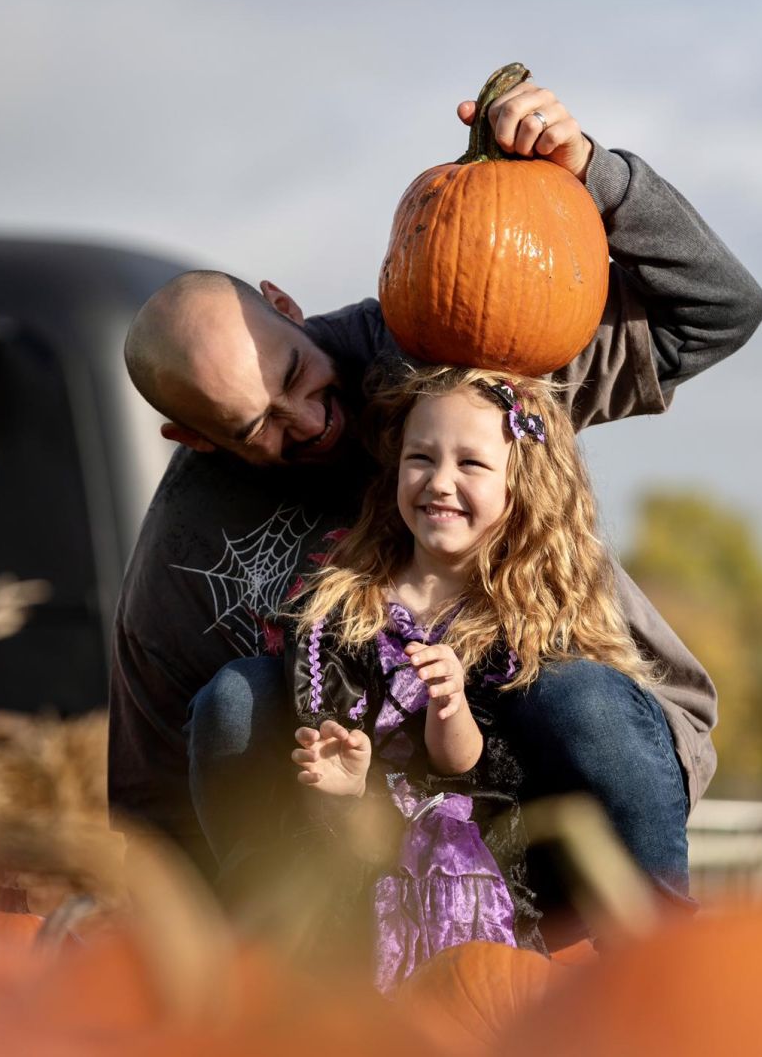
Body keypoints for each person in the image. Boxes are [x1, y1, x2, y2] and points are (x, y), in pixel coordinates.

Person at [110, 77, 762, 889]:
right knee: (235, 702)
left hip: (553, 771)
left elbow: (719, 310)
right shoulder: (186, 540)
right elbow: (148, 793)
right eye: (258, 429)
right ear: (193, 437)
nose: (308, 422)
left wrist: (595, 175)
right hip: (375, 829)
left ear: (284, 304)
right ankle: (277, 985)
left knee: (575, 697)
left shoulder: (454, 348)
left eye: (295, 372)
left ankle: (657, 967)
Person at [283, 364, 660, 988]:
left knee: (479, 1000)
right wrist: (345, 783)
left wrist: (450, 704)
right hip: (373, 866)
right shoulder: (346, 613)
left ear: (520, 484)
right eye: (421, 457)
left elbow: (463, 768)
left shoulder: (520, 620)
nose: (440, 482)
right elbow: (346, 797)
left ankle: (657, 958)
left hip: (480, 862)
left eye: (472, 464)